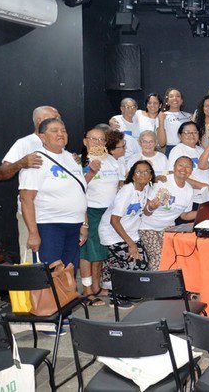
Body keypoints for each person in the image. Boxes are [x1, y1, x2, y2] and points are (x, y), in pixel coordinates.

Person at [19, 118, 87, 269]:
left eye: (63, 130)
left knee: (68, 274)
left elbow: (80, 193)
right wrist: (33, 233)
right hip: (49, 226)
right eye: (54, 131)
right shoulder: (35, 160)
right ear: (42, 136)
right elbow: (26, 199)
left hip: (74, 226)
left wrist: (84, 223)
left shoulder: (72, 158)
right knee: (51, 274)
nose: (61, 134)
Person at [0, 106, 60, 262]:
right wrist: (21, 163)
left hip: (56, 216)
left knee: (56, 265)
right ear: (40, 120)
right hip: (33, 216)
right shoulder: (25, 143)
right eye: (55, 118)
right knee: (33, 264)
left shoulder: (59, 143)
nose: (59, 121)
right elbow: (0, 173)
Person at [98, 161, 154, 301]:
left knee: (142, 261)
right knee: (137, 262)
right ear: (133, 176)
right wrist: (131, 244)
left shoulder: (146, 188)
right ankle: (120, 297)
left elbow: (145, 211)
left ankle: (118, 290)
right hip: (112, 233)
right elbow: (114, 220)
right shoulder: (127, 191)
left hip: (130, 233)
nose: (143, 174)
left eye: (146, 171)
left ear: (151, 176)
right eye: (139, 172)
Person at [79, 127, 122, 305]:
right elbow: (77, 188)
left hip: (108, 212)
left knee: (100, 251)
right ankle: (87, 291)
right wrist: (90, 171)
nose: (98, 143)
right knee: (87, 252)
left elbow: (118, 183)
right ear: (85, 141)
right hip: (89, 211)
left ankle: (96, 287)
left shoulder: (111, 160)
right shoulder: (79, 161)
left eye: (101, 139)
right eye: (93, 139)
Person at [139, 156, 196, 271]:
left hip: (168, 228)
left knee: (173, 256)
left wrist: (202, 212)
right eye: (180, 165)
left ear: (191, 171)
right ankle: (154, 282)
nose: (183, 169)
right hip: (148, 227)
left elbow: (184, 215)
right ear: (174, 167)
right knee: (158, 257)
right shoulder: (162, 182)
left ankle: (169, 281)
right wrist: (151, 207)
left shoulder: (189, 190)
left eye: (187, 167)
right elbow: (146, 211)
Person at [167, 121, 209, 207]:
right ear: (180, 136)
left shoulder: (201, 150)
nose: (192, 135)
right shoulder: (178, 150)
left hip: (206, 197)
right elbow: (173, 174)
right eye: (187, 132)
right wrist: (202, 186)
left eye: (195, 132)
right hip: (190, 198)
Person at [156, 88, 191, 154]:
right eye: (171, 96)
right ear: (167, 101)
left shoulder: (189, 116)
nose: (175, 98)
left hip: (187, 149)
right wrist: (161, 121)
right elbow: (161, 143)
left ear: (181, 100)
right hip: (171, 150)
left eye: (177, 96)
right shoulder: (162, 116)